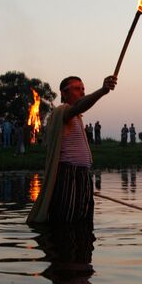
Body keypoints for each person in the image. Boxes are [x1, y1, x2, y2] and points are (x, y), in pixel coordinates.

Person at [26, 74, 117, 226]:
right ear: (64, 93)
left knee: (84, 220)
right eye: (76, 89)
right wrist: (102, 91)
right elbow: (79, 106)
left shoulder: (77, 116)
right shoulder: (63, 111)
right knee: (66, 221)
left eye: (83, 89)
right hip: (68, 174)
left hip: (83, 175)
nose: (81, 92)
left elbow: (81, 106)